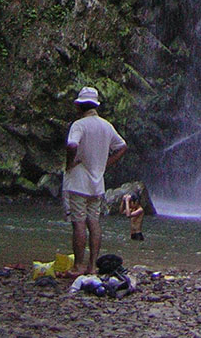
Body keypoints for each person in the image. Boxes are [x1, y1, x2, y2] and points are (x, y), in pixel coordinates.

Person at [62, 86, 127, 275]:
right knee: (94, 222)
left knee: (79, 223)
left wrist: (69, 163)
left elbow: (72, 144)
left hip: (78, 183)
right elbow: (122, 146)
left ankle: (78, 266)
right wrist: (106, 164)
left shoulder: (79, 125)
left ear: (79, 105)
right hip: (97, 183)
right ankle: (92, 267)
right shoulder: (106, 125)